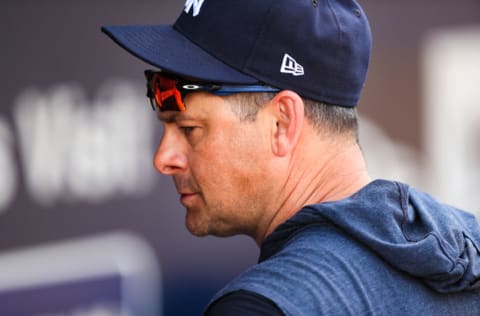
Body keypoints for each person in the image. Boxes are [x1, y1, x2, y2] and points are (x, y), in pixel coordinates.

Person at [102, 0, 480, 314]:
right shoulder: (470, 241)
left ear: (282, 123)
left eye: (189, 130)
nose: (163, 158)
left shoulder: (262, 307)